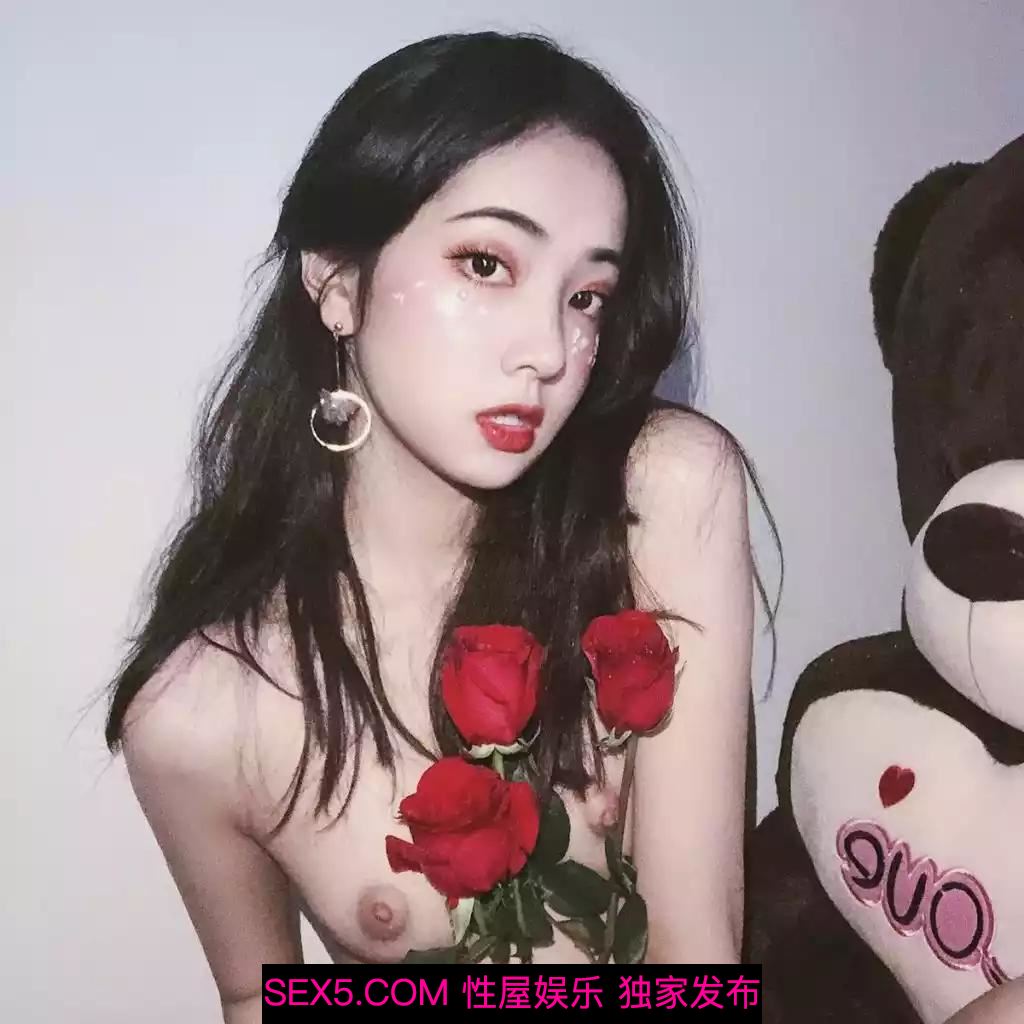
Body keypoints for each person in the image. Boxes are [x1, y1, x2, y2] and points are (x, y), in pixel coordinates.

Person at [104, 30, 774, 1021]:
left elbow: (696, 966)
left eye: (586, 296)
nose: (549, 349)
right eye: (487, 263)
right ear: (336, 282)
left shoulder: (663, 492)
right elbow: (258, 998)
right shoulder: (200, 714)